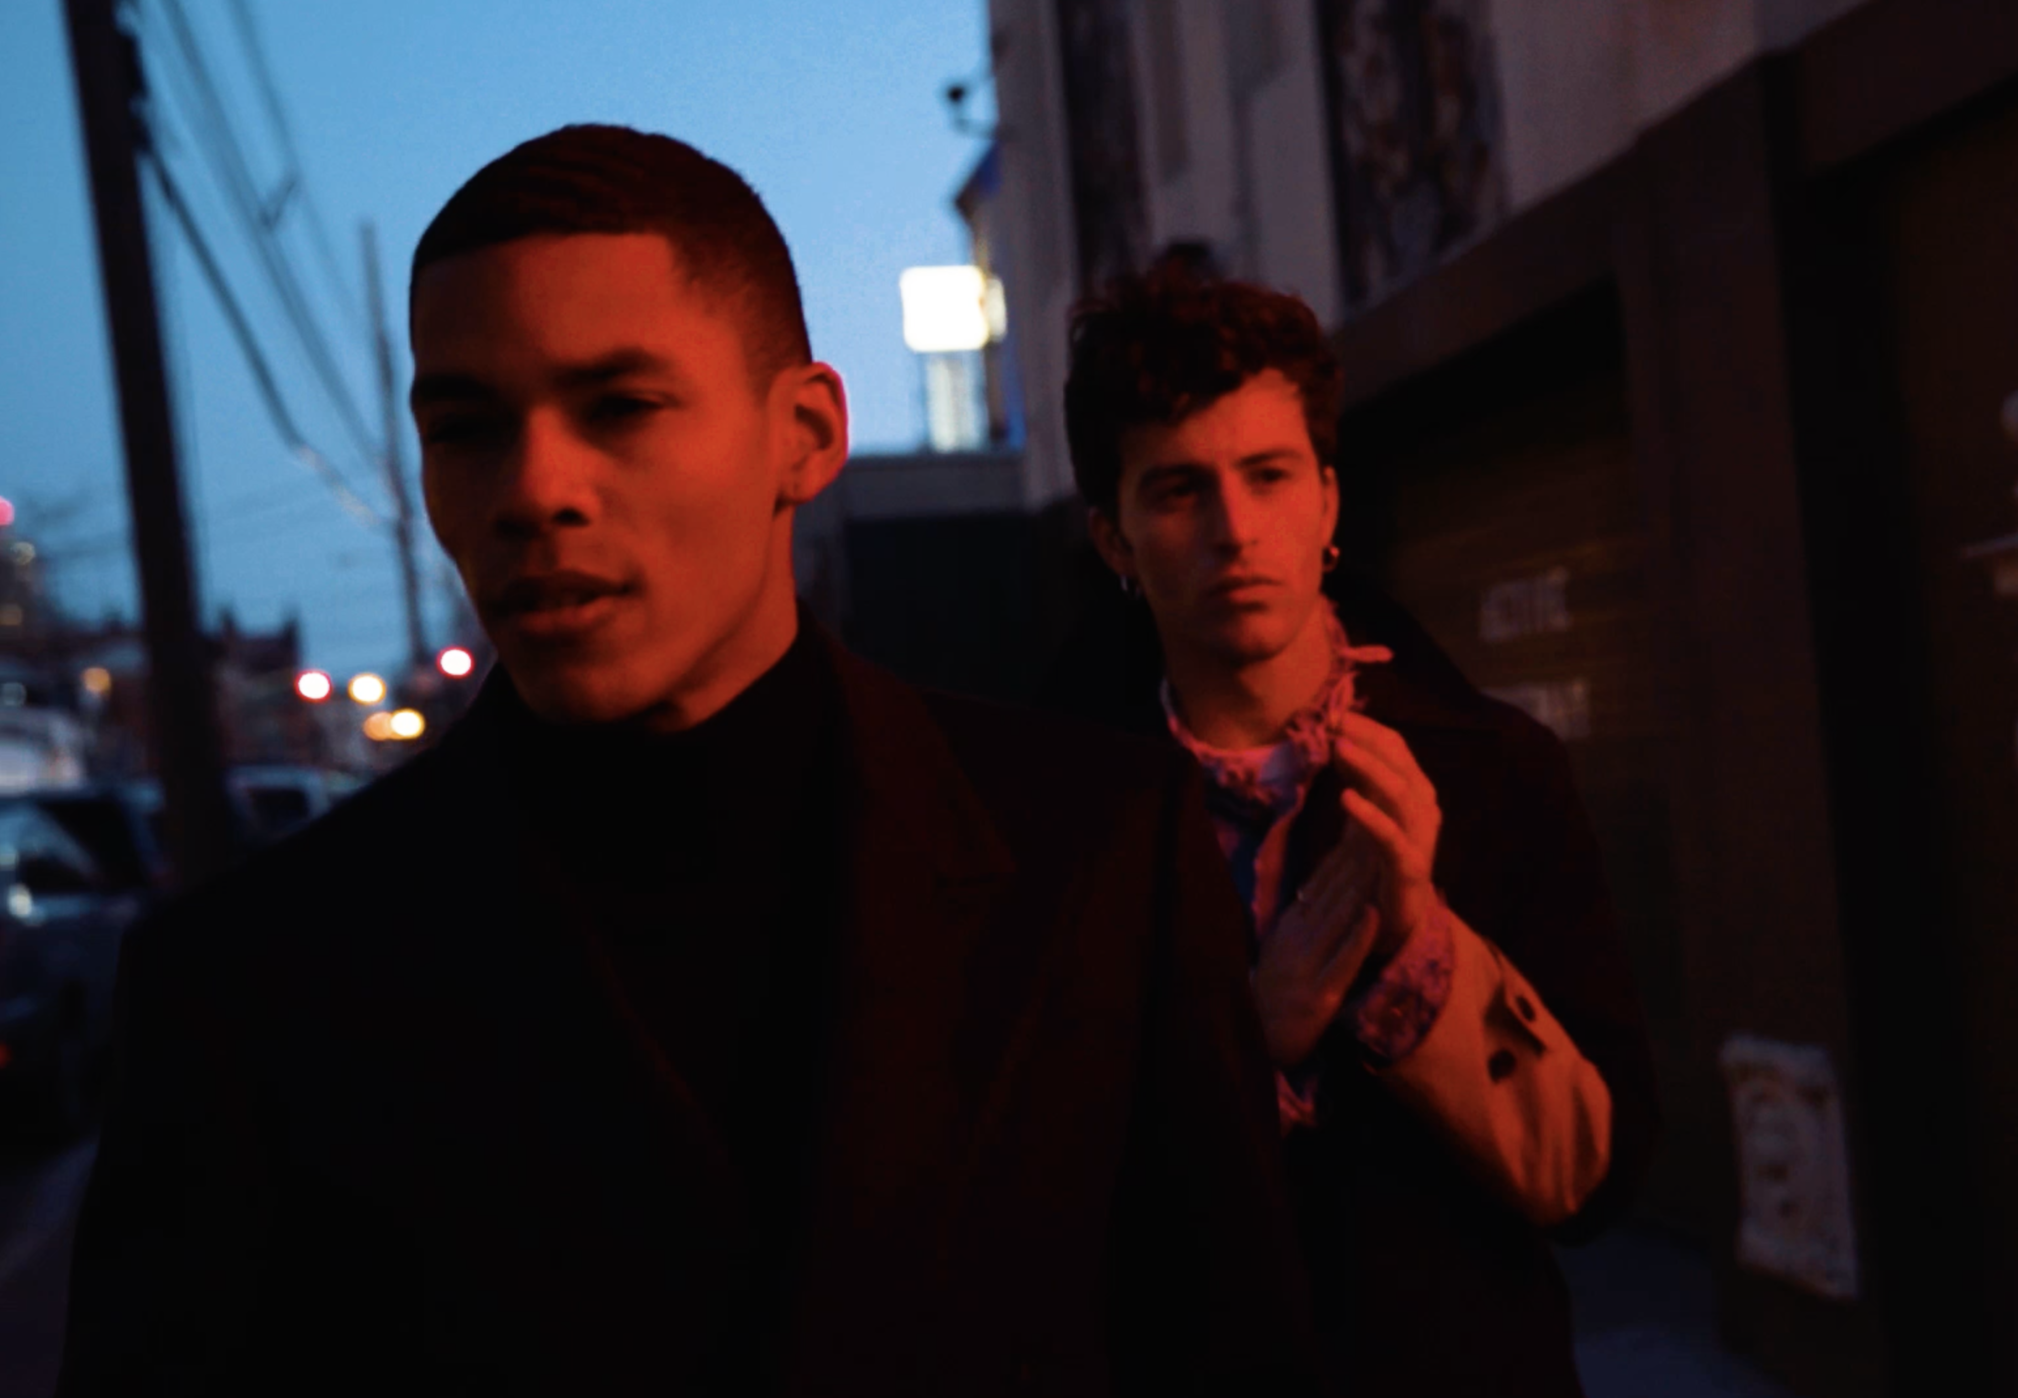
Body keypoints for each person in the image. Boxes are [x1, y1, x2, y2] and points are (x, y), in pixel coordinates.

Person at [59, 127, 1314, 1396]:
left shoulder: (1096, 853)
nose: (534, 488)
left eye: (620, 406)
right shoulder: (248, 985)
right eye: (469, 427)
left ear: (805, 433)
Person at [1050, 266, 1663, 1397]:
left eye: (1268, 475)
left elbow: (1593, 1178)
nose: (1235, 530)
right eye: (1179, 490)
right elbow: (1037, 1220)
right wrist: (1249, 1049)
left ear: (1327, 502)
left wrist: (1420, 950)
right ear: (1115, 541)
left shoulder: (1494, 767)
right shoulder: (1059, 820)